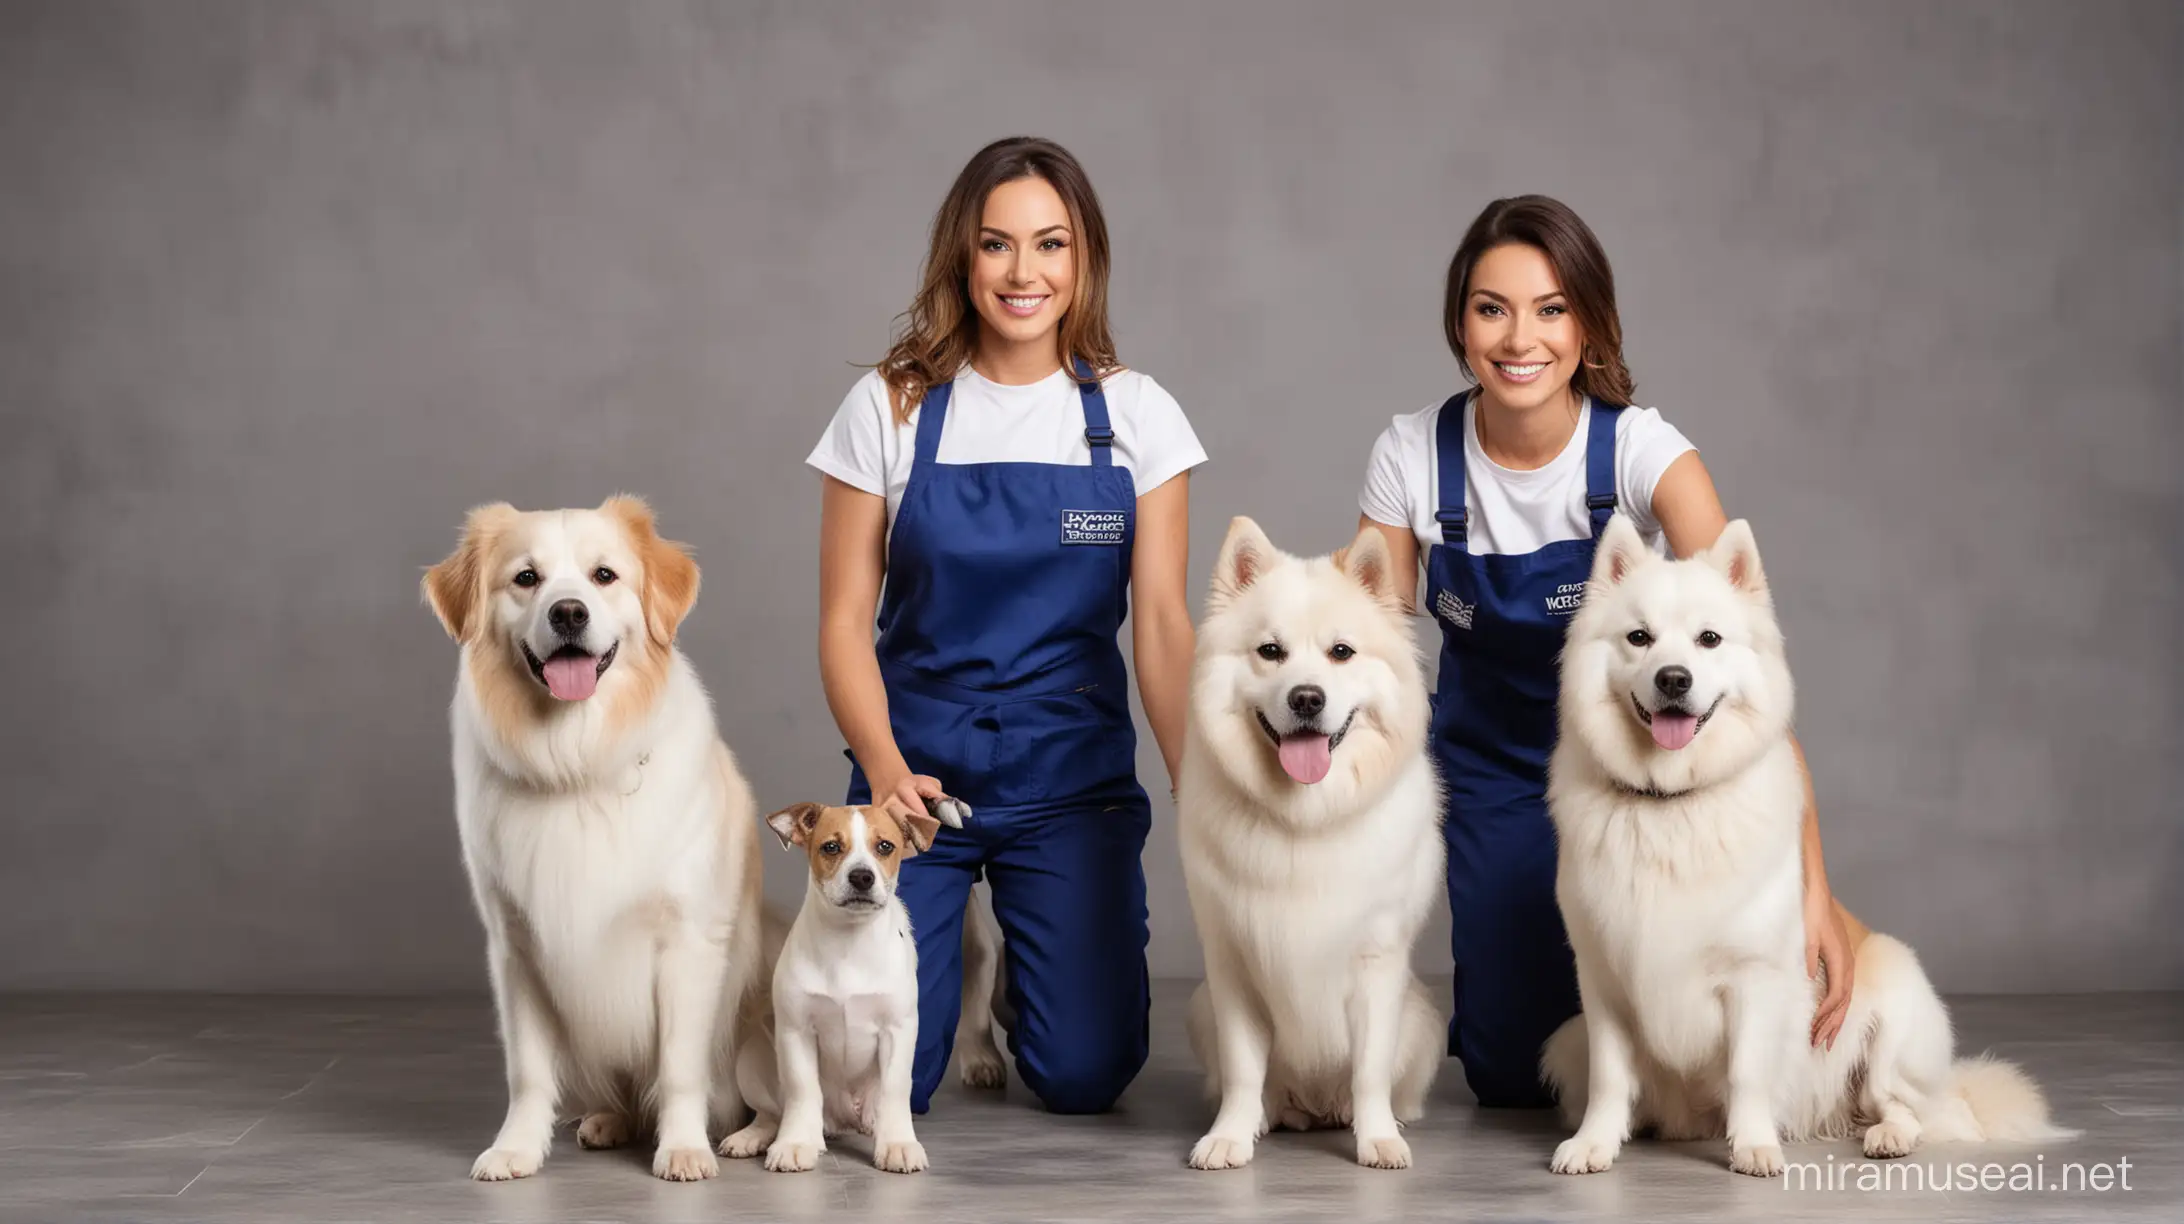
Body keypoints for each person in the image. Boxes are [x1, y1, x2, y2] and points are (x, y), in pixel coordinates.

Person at [1354, 194, 1857, 1108]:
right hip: (1493, 777)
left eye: (1550, 309)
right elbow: (1365, 653)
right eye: (1491, 307)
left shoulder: (1643, 453)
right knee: (1513, 1072)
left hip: (1638, 782)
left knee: (1659, 1019)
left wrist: (1811, 886)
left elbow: (1745, 670)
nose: (1520, 338)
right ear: (1460, 322)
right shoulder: (1413, 454)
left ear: (1587, 324)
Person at [806, 136, 1203, 1115]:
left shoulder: (1136, 416)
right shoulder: (891, 406)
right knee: (885, 1082)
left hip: (1072, 779)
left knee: (1084, 1075)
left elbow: (1159, 623)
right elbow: (845, 623)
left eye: (1050, 245)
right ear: (962, 258)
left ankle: (1040, 954)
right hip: (916, 783)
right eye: (997, 246)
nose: (1024, 273)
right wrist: (890, 778)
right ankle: (956, 961)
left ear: (1084, 260)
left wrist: (1203, 780)